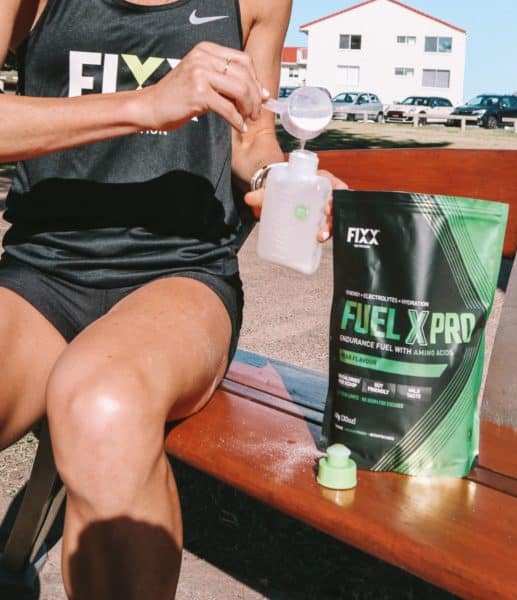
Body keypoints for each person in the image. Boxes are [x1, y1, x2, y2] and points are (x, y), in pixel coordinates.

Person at [0, 1, 344, 598]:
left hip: (180, 275)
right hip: (41, 271)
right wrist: (145, 103)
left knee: (103, 405)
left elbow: (253, 136)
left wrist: (277, 180)